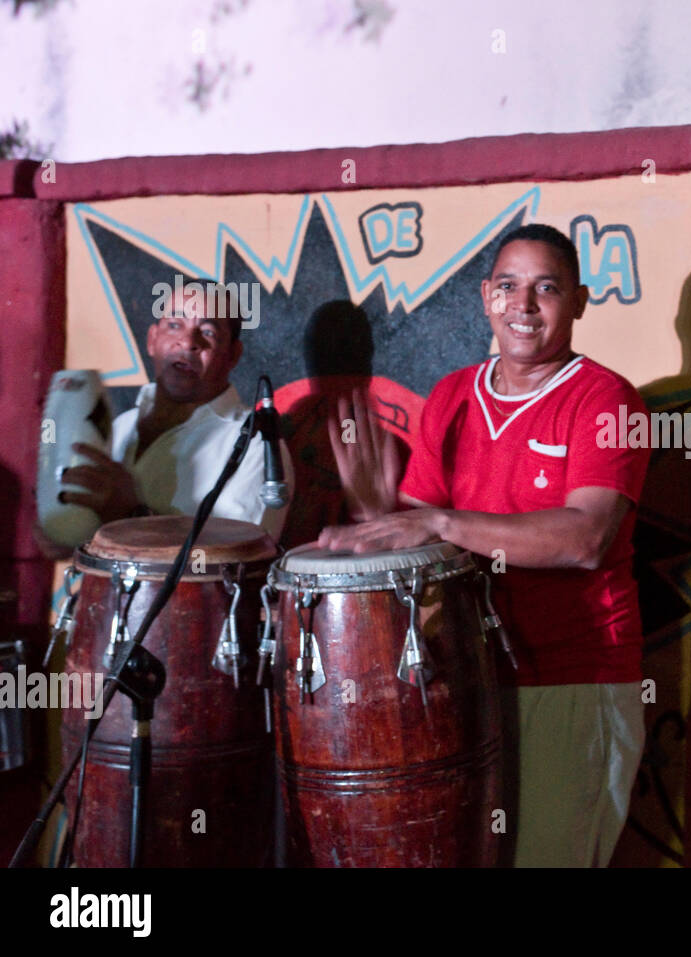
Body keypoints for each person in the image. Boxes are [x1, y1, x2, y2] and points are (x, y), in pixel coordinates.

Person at [319, 224, 650, 867]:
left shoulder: (606, 399)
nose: (523, 306)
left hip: (572, 681)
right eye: (508, 286)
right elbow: (420, 544)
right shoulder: (451, 397)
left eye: (546, 288)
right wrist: (372, 512)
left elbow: (585, 537)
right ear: (485, 297)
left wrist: (441, 522)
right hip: (467, 683)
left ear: (579, 301)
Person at [56, 285, 292, 542]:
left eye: (207, 332)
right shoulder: (121, 427)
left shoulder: (257, 444)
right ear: (152, 340)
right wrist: (63, 533)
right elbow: (83, 542)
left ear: (233, 355)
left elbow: (230, 564)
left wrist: (132, 514)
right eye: (174, 325)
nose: (188, 342)